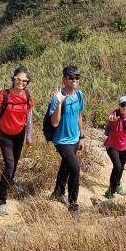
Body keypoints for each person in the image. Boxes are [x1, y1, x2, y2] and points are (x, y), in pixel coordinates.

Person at [0, 67, 34, 215]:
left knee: (14, 164)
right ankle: (1, 200)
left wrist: (28, 136)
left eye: (24, 80)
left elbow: (29, 117)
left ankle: (8, 183)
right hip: (5, 135)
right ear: (13, 79)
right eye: (18, 79)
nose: (21, 82)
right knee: (9, 165)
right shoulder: (4, 95)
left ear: (27, 82)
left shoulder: (27, 96)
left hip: (19, 134)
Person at [46, 65, 85, 216]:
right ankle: (73, 206)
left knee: (66, 166)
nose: (74, 80)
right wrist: (60, 103)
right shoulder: (57, 96)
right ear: (64, 79)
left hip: (75, 138)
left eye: (77, 77)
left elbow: (80, 116)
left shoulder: (79, 95)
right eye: (71, 77)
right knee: (75, 168)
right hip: (62, 140)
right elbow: (54, 123)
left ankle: (58, 191)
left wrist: (81, 137)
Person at [103, 96, 126, 199]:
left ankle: (117, 184)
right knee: (117, 166)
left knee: (121, 167)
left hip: (125, 146)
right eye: (123, 105)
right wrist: (111, 121)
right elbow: (111, 120)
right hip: (112, 145)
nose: (125, 108)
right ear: (119, 105)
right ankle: (110, 191)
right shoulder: (114, 114)